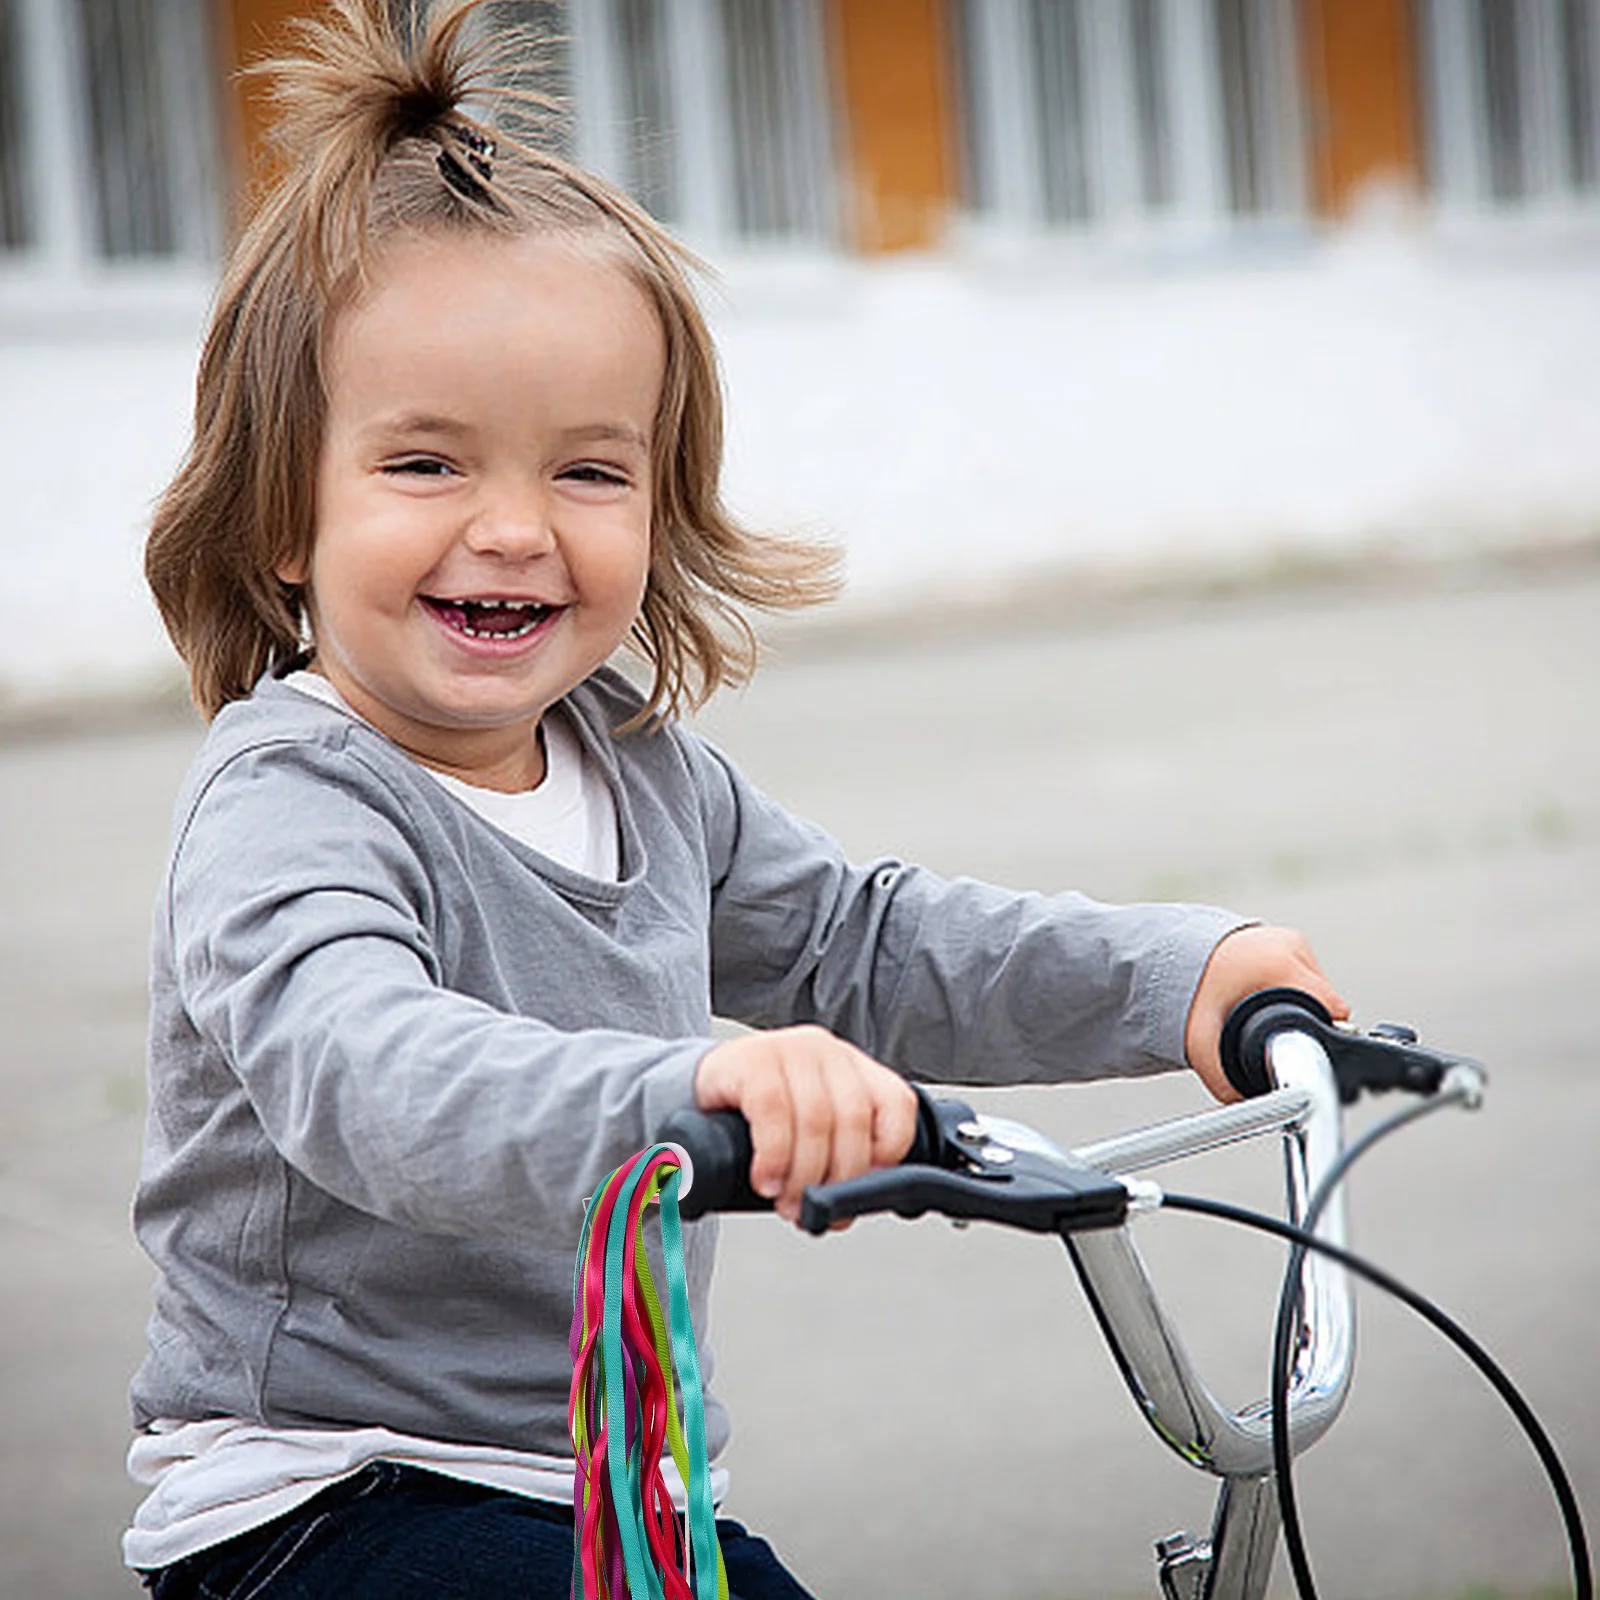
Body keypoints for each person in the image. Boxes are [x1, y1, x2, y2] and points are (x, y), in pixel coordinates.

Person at [124, 3, 1347, 1595]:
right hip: (325, 1501)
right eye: (426, 466)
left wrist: (1187, 975)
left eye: (587, 471)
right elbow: (368, 1077)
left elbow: (863, 947)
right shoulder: (293, 799)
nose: (512, 530)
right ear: (285, 511)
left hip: (612, 1473)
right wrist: (693, 1094)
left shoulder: (637, 767)